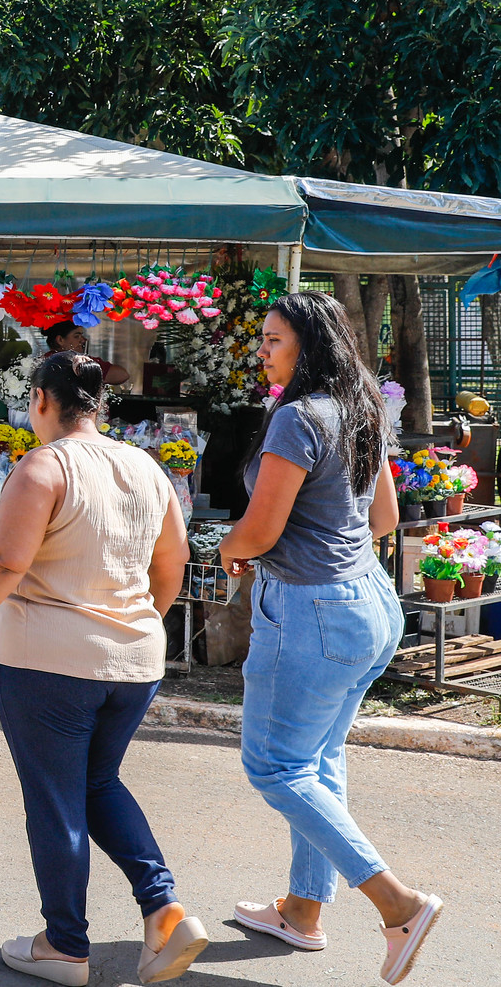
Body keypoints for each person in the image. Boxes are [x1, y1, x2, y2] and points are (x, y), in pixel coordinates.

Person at [0, 351, 205, 985]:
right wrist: (130, 627)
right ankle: (163, 909)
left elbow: (3, 562)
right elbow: (174, 563)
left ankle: (65, 946)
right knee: (97, 784)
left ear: (40, 401)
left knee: (56, 799)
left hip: (48, 662)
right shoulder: (145, 467)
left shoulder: (43, 467)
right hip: (135, 660)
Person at [218, 292, 441, 983]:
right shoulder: (358, 407)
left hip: (312, 608)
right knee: (316, 757)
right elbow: (383, 516)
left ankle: (397, 902)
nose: (261, 348)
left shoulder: (294, 417)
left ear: (306, 346)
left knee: (275, 766)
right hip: (369, 600)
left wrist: (227, 547)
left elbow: (260, 529)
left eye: (272, 338)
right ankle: (303, 911)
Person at [45, 320, 130, 385]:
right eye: (77, 336)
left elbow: (122, 375)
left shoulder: (44, 361)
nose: (83, 340)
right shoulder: (46, 363)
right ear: (60, 340)